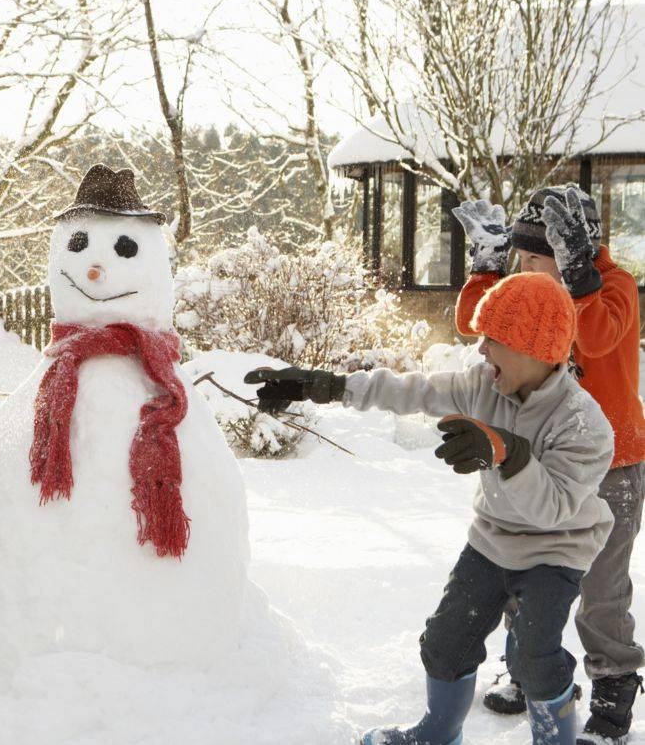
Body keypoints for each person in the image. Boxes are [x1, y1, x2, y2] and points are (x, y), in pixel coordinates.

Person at [247, 272, 614, 745]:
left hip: (556, 550)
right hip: (492, 540)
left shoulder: (584, 424)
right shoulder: (484, 385)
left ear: (534, 349)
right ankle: (436, 735)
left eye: (492, 339)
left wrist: (506, 451)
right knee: (443, 644)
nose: (480, 350)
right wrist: (327, 386)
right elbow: (412, 390)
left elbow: (555, 509)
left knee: (534, 659)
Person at [454, 186, 645, 743]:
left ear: (576, 249)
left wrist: (580, 275)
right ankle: (528, 667)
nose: (528, 272)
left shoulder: (613, 287)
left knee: (602, 586)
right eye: (521, 259)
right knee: (524, 564)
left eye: (540, 259)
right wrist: (487, 270)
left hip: (611, 466)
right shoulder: (532, 292)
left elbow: (597, 333)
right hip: (535, 461)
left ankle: (613, 686)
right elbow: (475, 323)